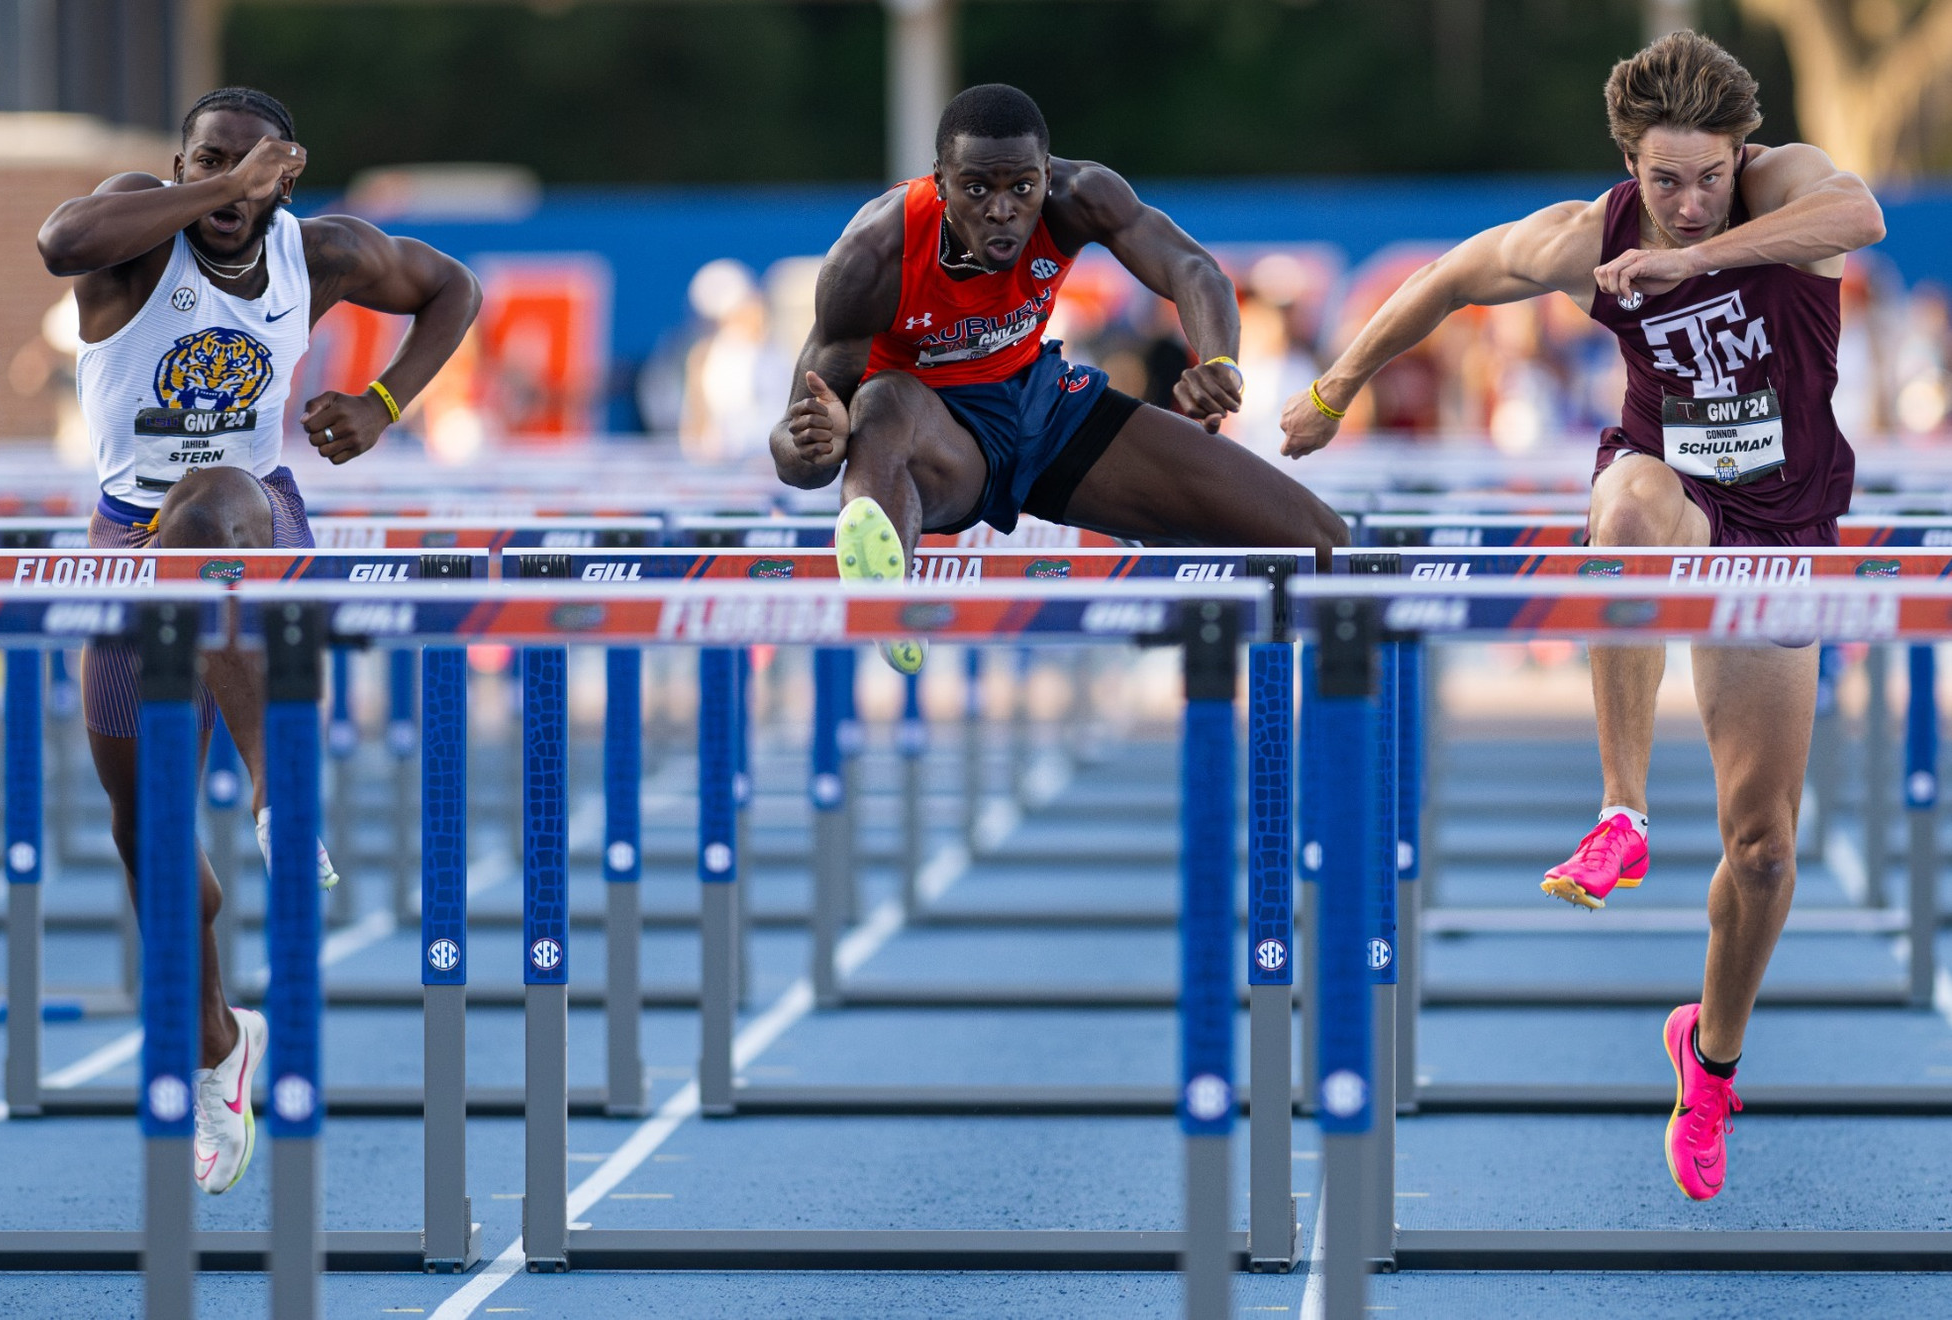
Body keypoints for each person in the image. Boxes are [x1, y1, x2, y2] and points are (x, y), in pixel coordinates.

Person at [1279, 31, 1885, 1202]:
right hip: (1675, 498)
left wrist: (1691, 267)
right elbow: (1449, 278)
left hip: (1784, 529)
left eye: (1710, 174)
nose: (1692, 201)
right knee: (1628, 497)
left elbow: (1858, 213)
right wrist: (1333, 388)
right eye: (1667, 181)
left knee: (1763, 855)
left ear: (1741, 155)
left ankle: (1708, 1064)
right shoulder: (1586, 237)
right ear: (1628, 164)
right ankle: (1619, 810)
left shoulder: (1787, 188)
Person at [37, 87, 481, 1194]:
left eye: (248, 165)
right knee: (146, 830)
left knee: (216, 496)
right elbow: (57, 242)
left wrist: (384, 402)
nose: (227, 184)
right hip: (124, 531)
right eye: (206, 158)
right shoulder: (141, 229)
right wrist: (211, 186)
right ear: (183, 161)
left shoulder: (318, 255)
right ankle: (219, 1050)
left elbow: (450, 289)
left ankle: (283, 794)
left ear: (291, 168)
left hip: (258, 520)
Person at [769, 83, 1345, 673]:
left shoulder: (1081, 195)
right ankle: (888, 602)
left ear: (1046, 174)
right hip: (939, 441)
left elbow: (1194, 269)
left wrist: (1218, 359)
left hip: (1044, 407)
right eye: (976, 189)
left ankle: (1332, 733)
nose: (1001, 209)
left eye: (1022, 187)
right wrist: (819, 443)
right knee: (881, 402)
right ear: (940, 182)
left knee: (1323, 543)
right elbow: (794, 455)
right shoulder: (871, 255)